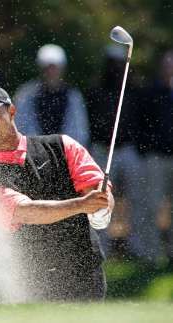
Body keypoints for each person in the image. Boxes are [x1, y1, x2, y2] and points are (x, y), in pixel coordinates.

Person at [0, 84, 114, 301]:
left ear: (11, 112)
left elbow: (96, 191)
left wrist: (102, 209)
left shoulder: (63, 145)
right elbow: (26, 212)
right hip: (31, 283)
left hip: (84, 274)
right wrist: (83, 205)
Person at [86, 45, 149, 263]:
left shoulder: (133, 90)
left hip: (129, 151)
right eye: (111, 62)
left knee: (138, 201)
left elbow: (141, 122)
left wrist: (139, 146)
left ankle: (140, 249)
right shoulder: (95, 90)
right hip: (102, 151)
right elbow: (91, 122)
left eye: (118, 63)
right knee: (100, 201)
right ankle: (100, 250)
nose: (115, 68)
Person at [13, 44, 89, 146]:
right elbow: (19, 127)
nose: (51, 72)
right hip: (33, 154)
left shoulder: (73, 96)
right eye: (47, 68)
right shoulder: (26, 94)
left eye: (55, 67)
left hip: (66, 155)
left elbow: (80, 132)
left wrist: (64, 151)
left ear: (62, 68)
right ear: (40, 68)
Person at [139, 50, 173, 269]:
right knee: (152, 206)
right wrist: (147, 148)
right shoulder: (151, 92)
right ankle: (151, 255)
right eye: (167, 64)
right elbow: (142, 123)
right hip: (156, 157)